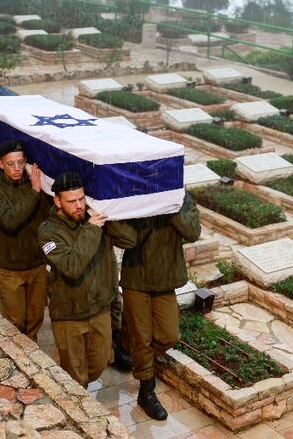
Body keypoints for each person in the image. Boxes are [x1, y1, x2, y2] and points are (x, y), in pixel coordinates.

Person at [37, 172, 133, 388]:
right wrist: (91, 229)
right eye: (72, 201)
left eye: (82, 199)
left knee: (99, 364)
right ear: (57, 201)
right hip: (70, 315)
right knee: (75, 376)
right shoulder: (48, 232)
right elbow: (71, 266)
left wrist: (105, 213)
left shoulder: (93, 220)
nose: (79, 205)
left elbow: (129, 240)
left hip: (99, 311)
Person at [112, 192, 201, 420]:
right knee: (142, 338)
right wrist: (149, 208)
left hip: (165, 279)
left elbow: (192, 232)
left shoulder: (182, 199)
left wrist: (171, 209)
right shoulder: (134, 197)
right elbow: (128, 239)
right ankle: (146, 389)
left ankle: (122, 343)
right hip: (137, 278)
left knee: (169, 335)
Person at [0, 140, 50, 341]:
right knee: (15, 320)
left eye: (21, 162)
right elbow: (9, 220)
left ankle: (31, 359)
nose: (17, 168)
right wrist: (34, 192)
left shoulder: (36, 185)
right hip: (9, 268)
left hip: (36, 265)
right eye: (11, 164)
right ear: (1, 164)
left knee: (36, 317)